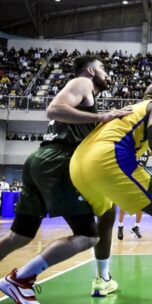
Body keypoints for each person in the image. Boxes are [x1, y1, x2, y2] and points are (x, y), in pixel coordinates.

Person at [0, 55, 130, 302]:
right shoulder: (82, 83)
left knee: (20, 235)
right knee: (89, 236)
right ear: (91, 71)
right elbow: (54, 109)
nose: (107, 73)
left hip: (39, 161)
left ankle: (19, 281)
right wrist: (101, 117)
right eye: (103, 68)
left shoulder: (85, 98)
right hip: (58, 163)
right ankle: (21, 281)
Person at [69, 83, 152, 303]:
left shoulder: (131, 110)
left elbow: (148, 145)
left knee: (106, 214)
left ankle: (102, 279)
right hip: (109, 159)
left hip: (78, 165)